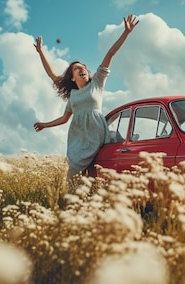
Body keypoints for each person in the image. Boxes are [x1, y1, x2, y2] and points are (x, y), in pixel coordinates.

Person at [33, 14, 139, 182]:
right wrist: (41, 52)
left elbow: (110, 54)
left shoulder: (97, 82)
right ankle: (73, 202)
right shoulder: (73, 96)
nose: (82, 68)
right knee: (74, 176)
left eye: (84, 67)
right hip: (78, 136)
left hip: (95, 132)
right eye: (76, 68)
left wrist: (125, 33)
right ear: (72, 78)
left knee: (95, 170)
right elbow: (63, 116)